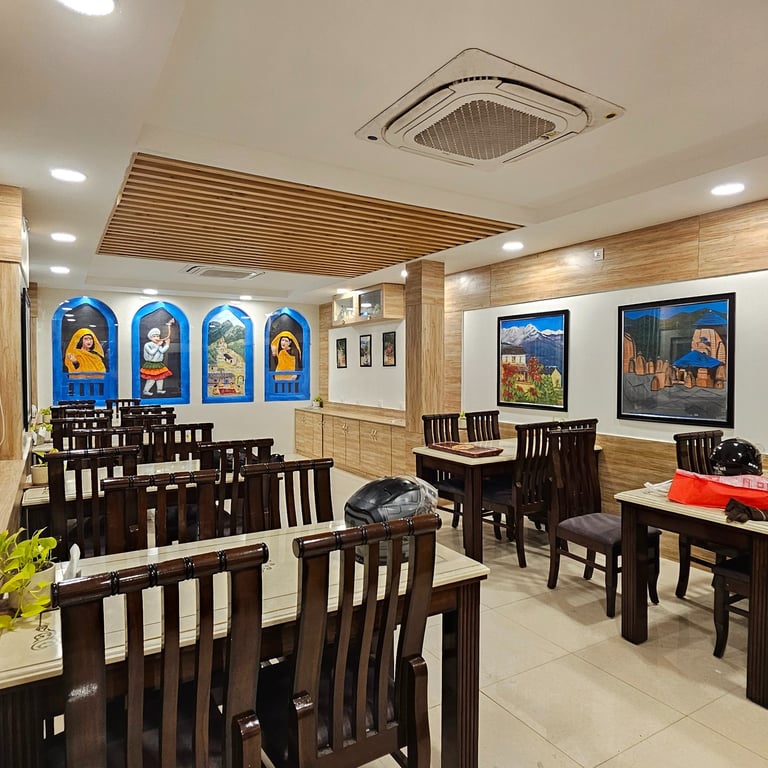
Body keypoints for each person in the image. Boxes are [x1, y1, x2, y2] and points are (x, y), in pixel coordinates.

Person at [140, 319, 174, 395]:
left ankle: (159, 389)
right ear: (150, 337)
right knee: (151, 379)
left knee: (160, 378)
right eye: (154, 336)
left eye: (158, 336)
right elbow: (151, 353)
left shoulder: (158, 344)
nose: (157, 337)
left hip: (158, 364)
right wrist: (158, 345)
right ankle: (146, 391)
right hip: (151, 364)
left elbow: (162, 351)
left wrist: (167, 344)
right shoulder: (147, 345)